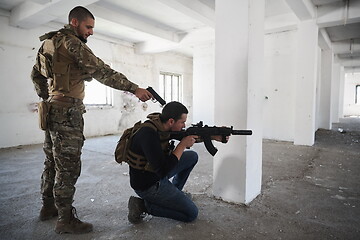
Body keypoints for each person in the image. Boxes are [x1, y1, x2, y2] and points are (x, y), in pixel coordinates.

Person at [30, 6, 152, 234]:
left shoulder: (48, 43)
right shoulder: (72, 43)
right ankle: (65, 220)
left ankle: (48, 207)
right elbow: (101, 71)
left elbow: (36, 74)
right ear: (74, 22)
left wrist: (47, 97)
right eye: (89, 27)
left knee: (52, 162)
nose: (91, 32)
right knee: (68, 166)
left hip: (51, 110)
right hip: (67, 112)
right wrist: (134, 88)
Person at [127, 101, 227, 224]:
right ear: (171, 121)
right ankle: (143, 206)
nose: (184, 125)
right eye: (182, 122)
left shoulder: (161, 126)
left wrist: (213, 135)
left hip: (156, 174)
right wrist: (182, 145)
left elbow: (188, 135)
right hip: (148, 185)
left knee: (191, 156)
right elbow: (163, 170)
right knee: (191, 213)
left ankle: (175, 191)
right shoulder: (148, 134)